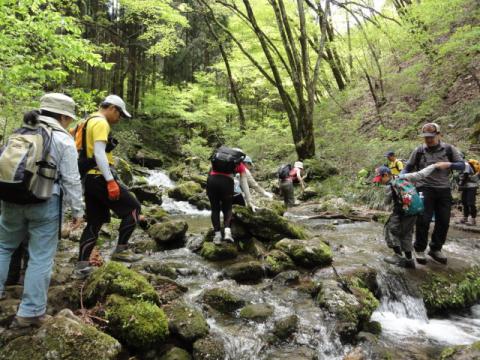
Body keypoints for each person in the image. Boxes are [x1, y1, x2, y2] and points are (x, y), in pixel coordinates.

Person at [0, 93, 84, 328]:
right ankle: (31, 312)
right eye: (69, 118)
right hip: (45, 203)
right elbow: (71, 179)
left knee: (4, 246)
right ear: (63, 116)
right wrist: (78, 211)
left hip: (10, 198)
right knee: (40, 257)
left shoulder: (20, 132)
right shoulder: (63, 139)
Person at [74, 95, 142, 279]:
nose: (119, 118)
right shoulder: (102, 123)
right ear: (112, 108)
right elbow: (98, 153)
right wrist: (110, 180)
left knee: (95, 222)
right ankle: (121, 250)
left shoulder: (87, 121)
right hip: (100, 177)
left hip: (88, 178)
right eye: (119, 113)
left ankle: (81, 266)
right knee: (134, 208)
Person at [402, 123, 464, 265]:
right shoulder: (419, 150)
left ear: (438, 135)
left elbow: (462, 165)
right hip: (424, 188)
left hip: (444, 189)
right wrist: (401, 178)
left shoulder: (448, 149)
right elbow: (408, 168)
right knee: (423, 220)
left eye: (431, 136)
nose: (428, 139)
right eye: (425, 137)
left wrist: (449, 164)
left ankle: (435, 248)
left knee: (444, 220)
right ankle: (419, 249)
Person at [374, 162, 451, 268]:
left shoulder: (390, 186)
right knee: (406, 234)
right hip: (414, 211)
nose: (380, 182)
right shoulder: (404, 177)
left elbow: (386, 203)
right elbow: (420, 174)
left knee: (390, 230)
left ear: (385, 175)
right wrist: (433, 166)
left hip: (400, 213)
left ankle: (398, 256)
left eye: (380, 179)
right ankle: (409, 260)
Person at [207, 147, 254, 245]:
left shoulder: (218, 159)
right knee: (227, 208)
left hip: (212, 181)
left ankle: (217, 235)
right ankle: (228, 233)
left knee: (215, 209)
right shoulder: (238, 163)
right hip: (227, 183)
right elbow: (244, 182)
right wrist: (249, 201)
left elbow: (210, 173)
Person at [457, 160, 479, 226]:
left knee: (471, 203)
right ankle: (465, 218)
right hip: (465, 186)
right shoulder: (462, 164)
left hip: (472, 187)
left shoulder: (465, 164)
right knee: (464, 202)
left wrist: (460, 184)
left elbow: (466, 175)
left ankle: (473, 220)